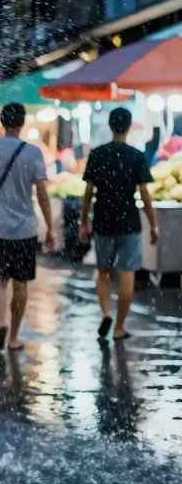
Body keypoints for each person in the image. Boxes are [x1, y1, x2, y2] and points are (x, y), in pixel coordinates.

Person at [0, 103, 54, 352]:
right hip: (25, 229)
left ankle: (1, 322)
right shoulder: (33, 153)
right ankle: (15, 336)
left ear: (2, 121)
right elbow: (41, 193)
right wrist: (50, 227)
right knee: (21, 283)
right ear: (22, 123)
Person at [79, 107, 158, 341]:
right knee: (127, 276)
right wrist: (153, 224)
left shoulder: (98, 154)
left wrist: (84, 221)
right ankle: (119, 327)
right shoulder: (136, 156)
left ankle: (106, 313)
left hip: (103, 221)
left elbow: (88, 192)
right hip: (130, 223)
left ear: (111, 126)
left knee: (102, 272)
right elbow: (144, 194)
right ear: (129, 126)